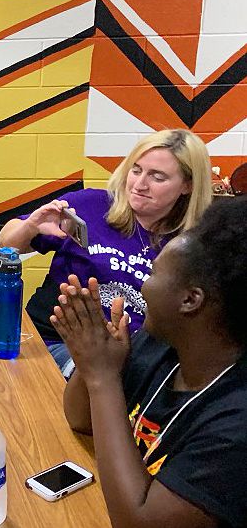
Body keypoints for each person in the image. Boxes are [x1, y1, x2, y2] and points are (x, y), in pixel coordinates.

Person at [53, 196, 247, 528]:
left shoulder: (236, 425)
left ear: (190, 299)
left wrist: (102, 378)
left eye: (155, 272)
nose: (143, 284)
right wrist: (94, 366)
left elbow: (138, 524)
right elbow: (79, 419)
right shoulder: (161, 346)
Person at [0, 128, 212, 377]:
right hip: (54, 342)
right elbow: (6, 243)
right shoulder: (92, 205)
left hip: (133, 363)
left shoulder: (193, 245)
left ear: (187, 185)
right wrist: (30, 226)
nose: (140, 185)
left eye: (158, 177)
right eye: (136, 170)